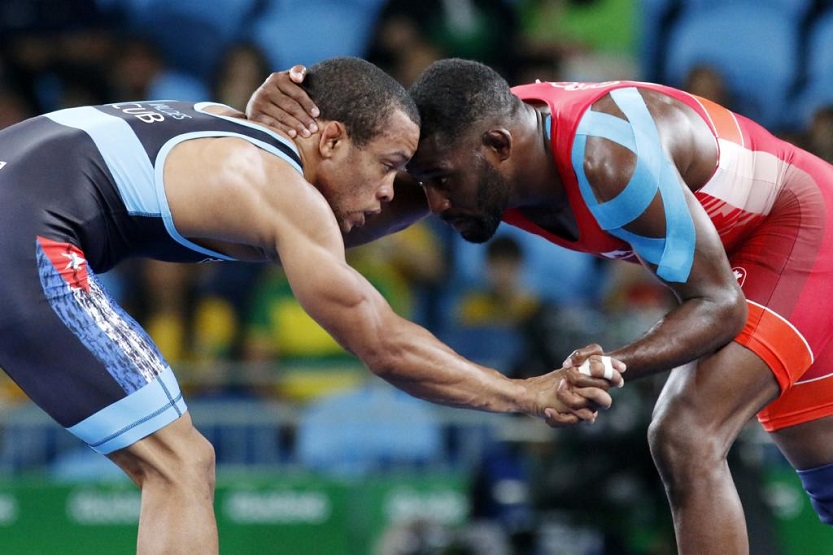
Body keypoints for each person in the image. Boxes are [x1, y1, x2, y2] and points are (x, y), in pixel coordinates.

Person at [0, 56, 623, 554]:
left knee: (176, 460)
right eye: (391, 166)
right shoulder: (282, 192)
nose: (391, 194)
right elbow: (381, 341)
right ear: (328, 138)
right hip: (21, 237)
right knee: (180, 464)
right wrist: (523, 394)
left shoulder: (226, 123)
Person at [253, 58, 833, 552]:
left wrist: (614, 363)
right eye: (421, 179)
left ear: (499, 148)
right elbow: (327, 221)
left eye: (439, 180)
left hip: (802, 228)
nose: (430, 201)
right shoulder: (475, 149)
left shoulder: (609, 160)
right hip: (755, 260)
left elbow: (718, 306)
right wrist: (276, 131)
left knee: (686, 432)